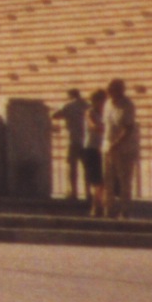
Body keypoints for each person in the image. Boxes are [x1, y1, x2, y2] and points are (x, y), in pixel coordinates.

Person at [97, 79, 140, 219]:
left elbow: (128, 128)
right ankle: (108, 209)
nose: (109, 92)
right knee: (108, 180)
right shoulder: (108, 104)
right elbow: (106, 125)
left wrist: (116, 143)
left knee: (124, 181)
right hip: (108, 146)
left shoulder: (127, 105)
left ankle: (125, 210)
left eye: (112, 89)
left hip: (124, 148)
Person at [57, 88, 93, 204]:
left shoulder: (68, 105)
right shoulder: (88, 105)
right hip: (87, 140)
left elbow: (55, 115)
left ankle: (73, 192)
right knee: (87, 168)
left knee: (72, 167)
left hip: (73, 139)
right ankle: (89, 193)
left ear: (70, 95)